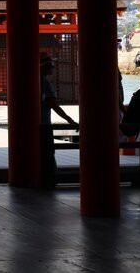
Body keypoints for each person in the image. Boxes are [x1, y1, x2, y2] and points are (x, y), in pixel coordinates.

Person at [40, 53, 78, 188]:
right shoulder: (45, 83)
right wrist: (69, 120)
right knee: (48, 152)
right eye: (51, 65)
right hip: (44, 124)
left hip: (31, 125)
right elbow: (53, 105)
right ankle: (49, 179)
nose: (53, 67)